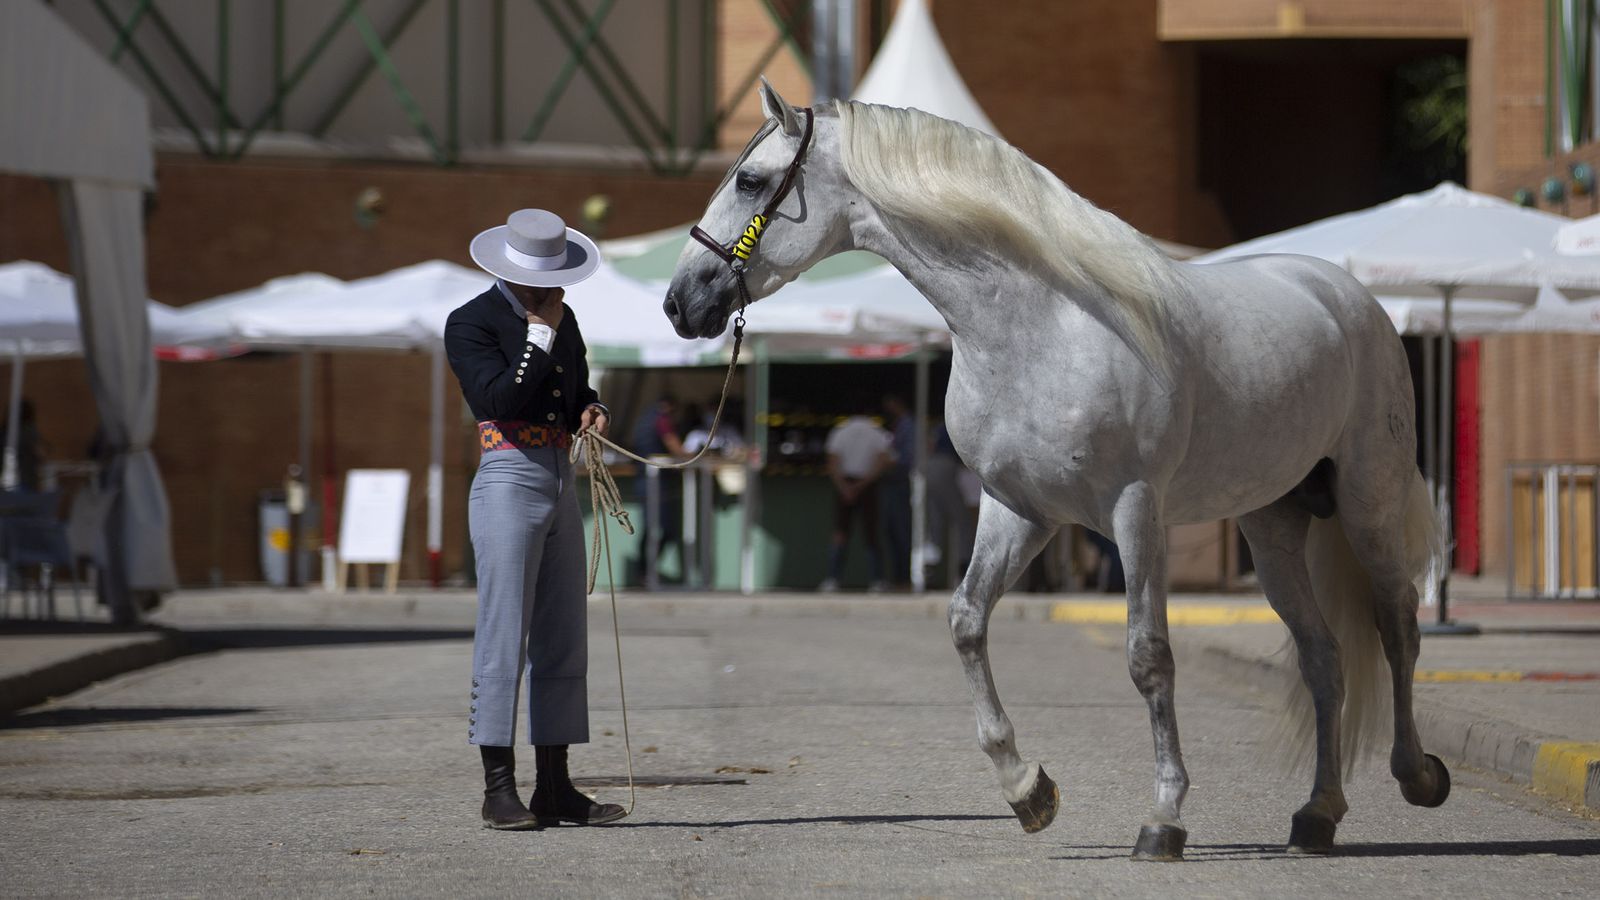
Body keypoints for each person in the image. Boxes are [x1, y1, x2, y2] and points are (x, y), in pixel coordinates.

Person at [446, 208, 625, 830]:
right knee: (503, 634)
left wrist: (592, 407)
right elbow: (497, 398)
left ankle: (556, 785)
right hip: (507, 475)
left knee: (562, 635)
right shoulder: (471, 322)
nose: (555, 289)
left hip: (558, 474)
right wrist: (539, 337)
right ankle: (499, 788)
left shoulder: (563, 315)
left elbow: (574, 389)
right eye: (545, 278)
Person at [820, 410, 892, 592]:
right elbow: (883, 460)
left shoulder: (839, 431)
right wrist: (862, 485)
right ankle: (877, 580)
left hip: (846, 484)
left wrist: (844, 487)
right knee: (871, 533)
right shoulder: (877, 432)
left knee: (840, 533)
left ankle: (832, 579)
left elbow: (832, 462)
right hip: (868, 484)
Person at [629, 395, 686, 586]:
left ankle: (643, 572)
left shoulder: (645, 418)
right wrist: (691, 456)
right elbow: (675, 446)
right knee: (664, 530)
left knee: (650, 529)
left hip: (645, 479)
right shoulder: (661, 420)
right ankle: (645, 572)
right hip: (656, 482)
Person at [925, 422, 976, 579]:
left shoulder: (940, 427)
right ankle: (964, 567)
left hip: (929, 467)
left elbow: (929, 445)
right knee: (963, 522)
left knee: (935, 522)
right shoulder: (957, 424)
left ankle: (929, 564)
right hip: (946, 466)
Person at [879, 395, 915, 588]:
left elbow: (907, 458)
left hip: (900, 483)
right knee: (891, 532)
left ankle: (904, 579)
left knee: (901, 532)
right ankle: (897, 577)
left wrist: (887, 462)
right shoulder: (899, 425)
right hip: (891, 484)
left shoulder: (909, 426)